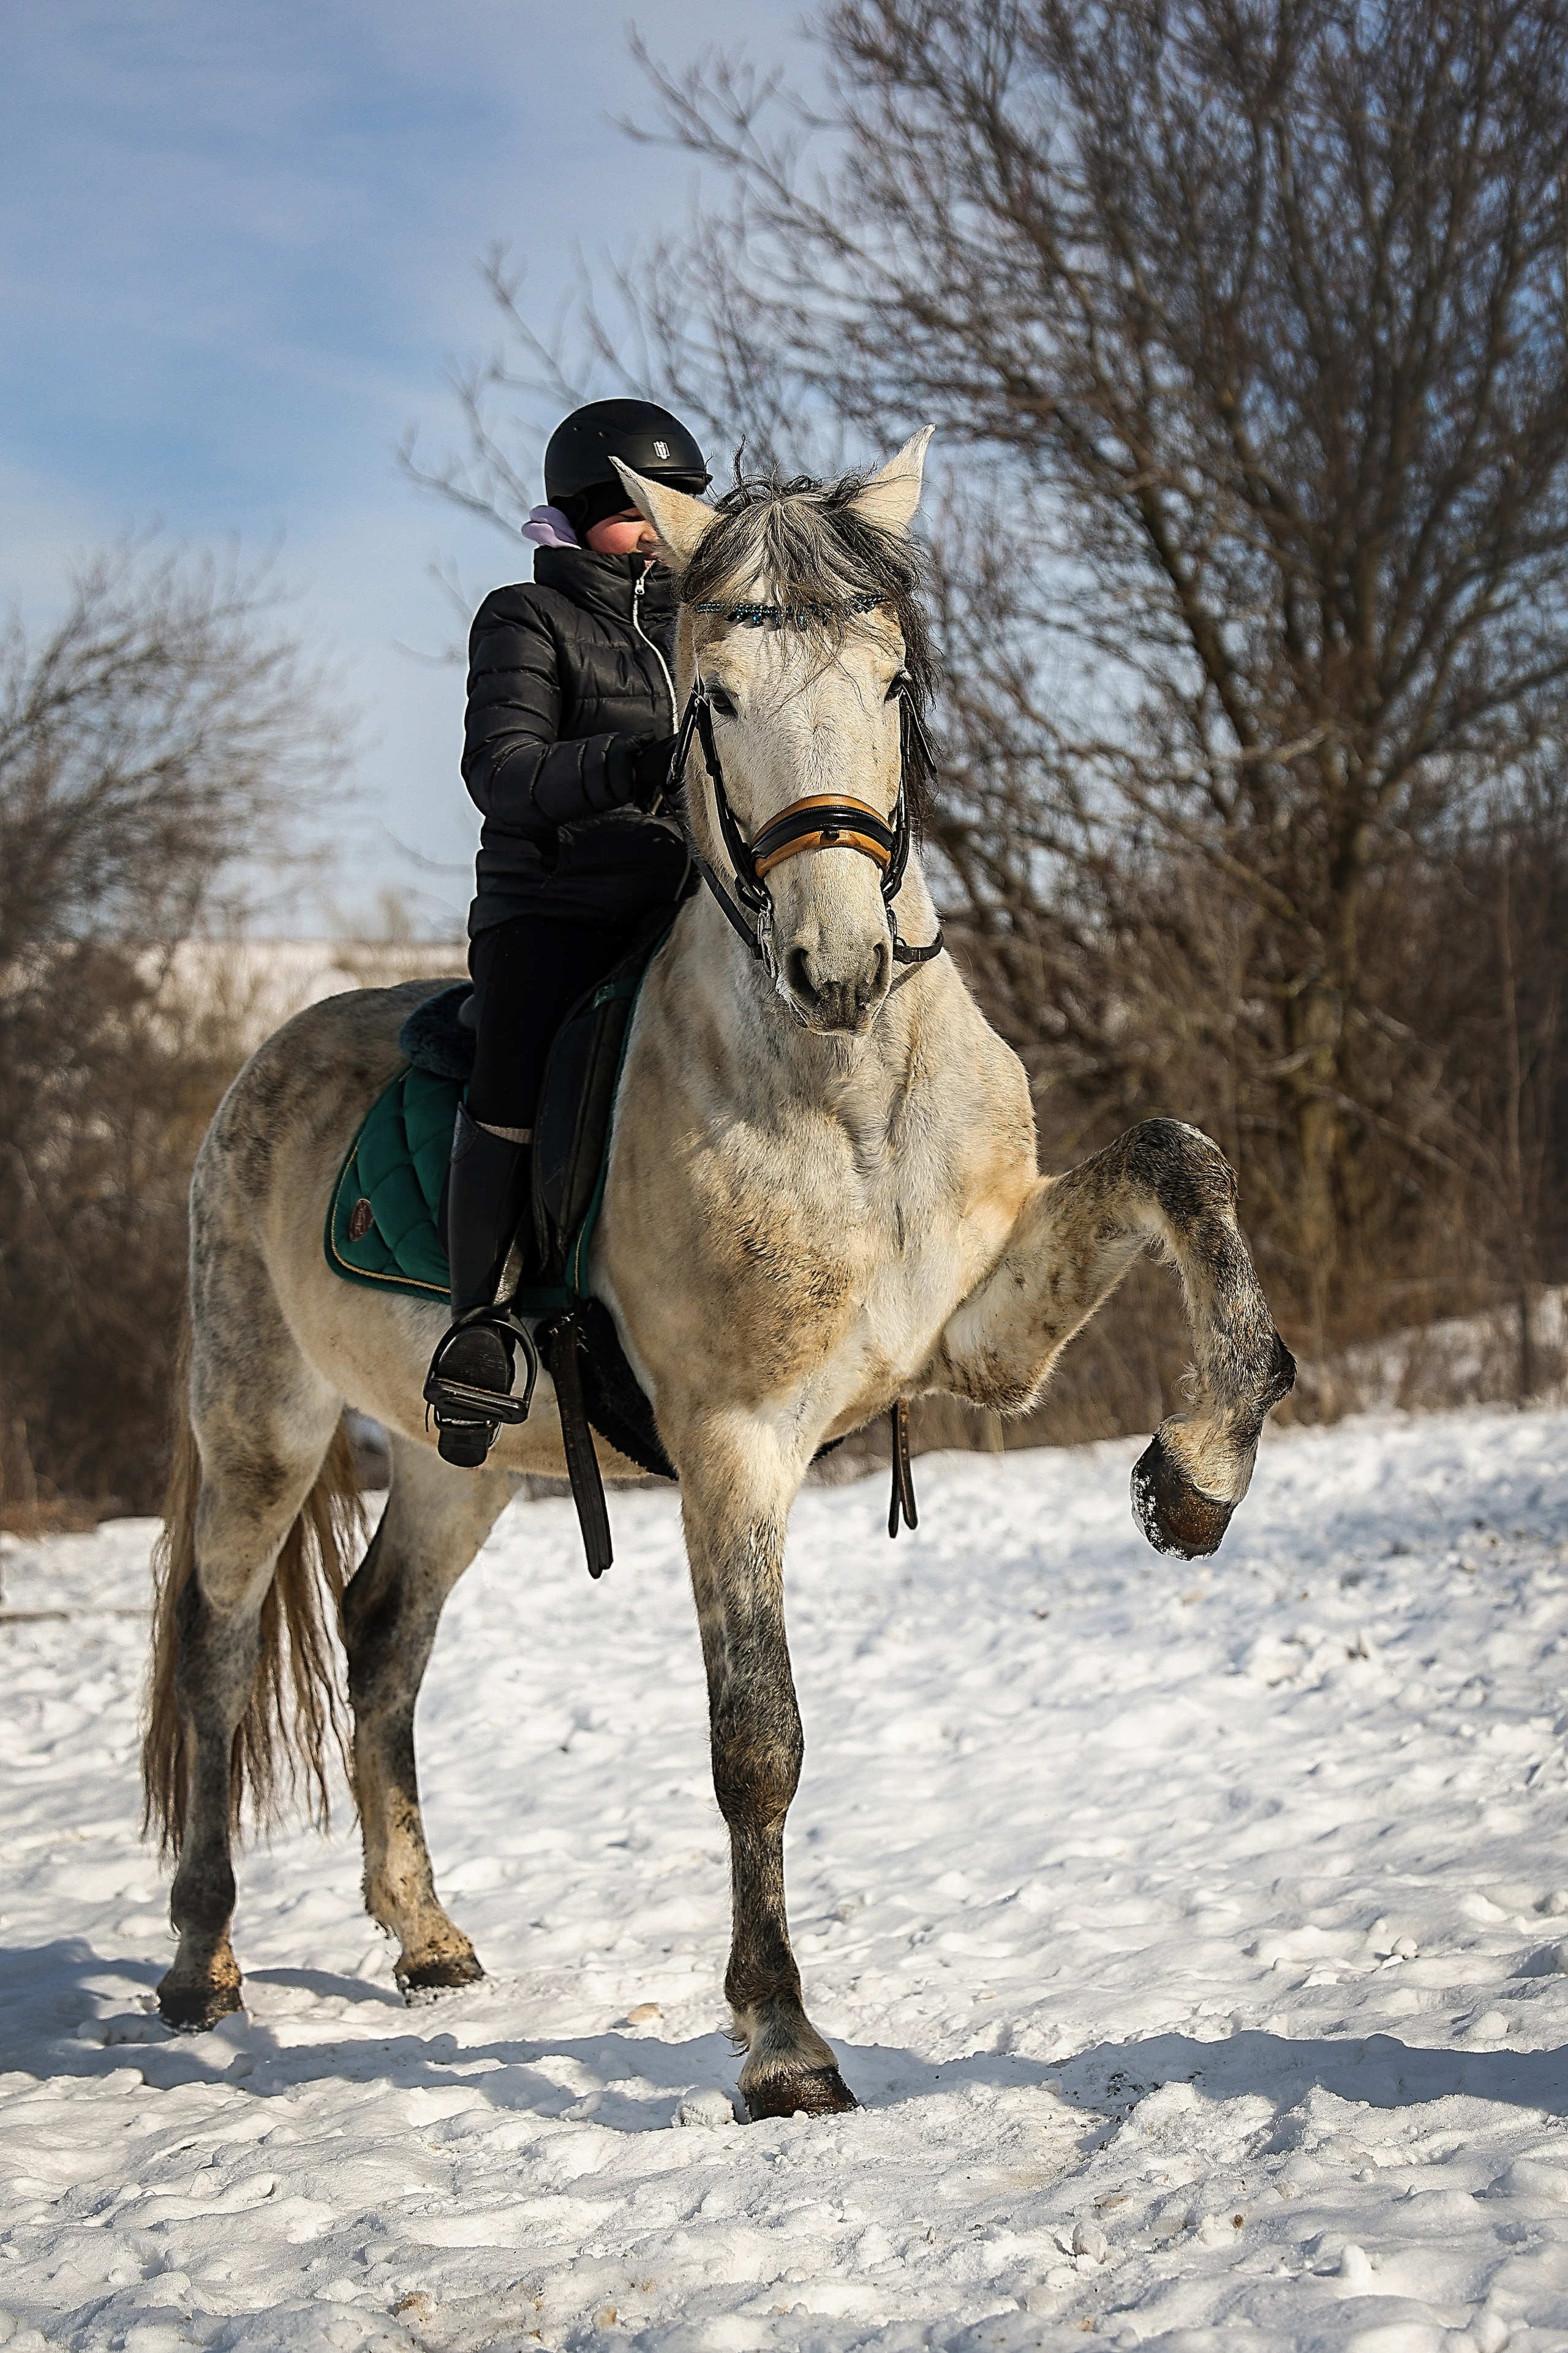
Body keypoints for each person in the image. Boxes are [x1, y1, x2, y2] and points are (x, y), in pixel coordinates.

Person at [425, 398, 709, 1465]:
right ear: (585, 514)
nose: (666, 527)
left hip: (682, 904)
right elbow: (499, 771)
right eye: (642, 509)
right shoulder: (523, 619)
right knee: (513, 1065)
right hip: (553, 904)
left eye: (681, 506)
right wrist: (634, 768)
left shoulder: (711, 620)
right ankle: (476, 1331)